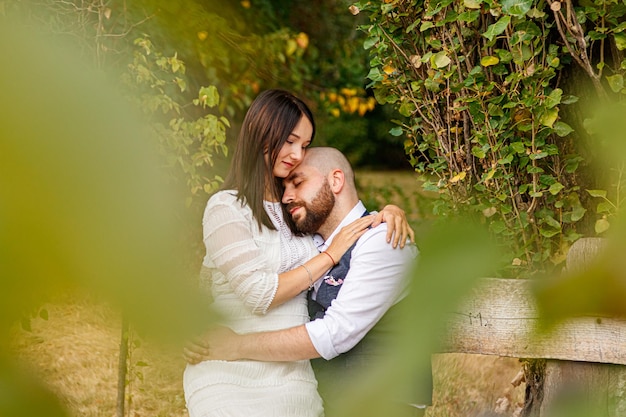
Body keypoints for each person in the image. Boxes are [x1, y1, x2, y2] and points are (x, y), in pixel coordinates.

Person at [182, 90, 413, 417]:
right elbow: (253, 293)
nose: (296, 154)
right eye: (290, 141)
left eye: (304, 145)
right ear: (262, 135)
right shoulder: (226, 207)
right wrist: (330, 256)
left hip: (292, 375)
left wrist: (391, 211)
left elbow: (343, 218)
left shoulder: (297, 216)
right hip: (227, 367)